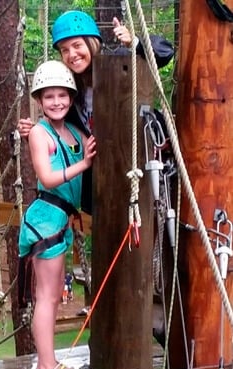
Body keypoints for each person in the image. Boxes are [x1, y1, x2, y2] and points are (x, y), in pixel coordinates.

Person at [19, 10, 174, 215]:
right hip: (103, 179)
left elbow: (165, 52)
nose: (72, 55)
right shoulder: (68, 89)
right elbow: (60, 134)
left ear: (91, 43)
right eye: (65, 50)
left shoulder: (118, 64)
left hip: (139, 166)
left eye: (77, 46)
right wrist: (32, 131)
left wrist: (134, 42)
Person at [18, 60, 96, 369]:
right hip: (46, 217)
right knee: (47, 297)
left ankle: (49, 365)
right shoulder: (40, 132)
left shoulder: (74, 132)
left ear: (71, 97)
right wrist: (85, 164)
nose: (56, 102)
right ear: (39, 101)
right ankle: (44, 368)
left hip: (60, 219)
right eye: (48, 97)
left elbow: (90, 138)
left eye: (62, 95)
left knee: (50, 297)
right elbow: (48, 178)